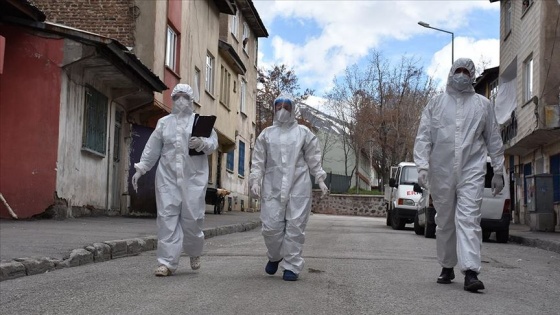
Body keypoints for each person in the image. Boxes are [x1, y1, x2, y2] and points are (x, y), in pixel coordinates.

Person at [413, 58, 504, 292]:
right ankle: (447, 265)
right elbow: (424, 137)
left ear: (472, 76)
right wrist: (422, 167)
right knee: (444, 221)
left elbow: (493, 138)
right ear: (451, 73)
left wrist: (499, 170)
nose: (462, 75)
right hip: (441, 171)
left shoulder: (483, 105)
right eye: (458, 71)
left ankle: (471, 272)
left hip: (471, 170)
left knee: (469, 219)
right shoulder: (436, 104)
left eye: (466, 71)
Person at [131, 83, 218, 277]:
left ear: (191, 99)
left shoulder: (199, 121)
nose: (180, 100)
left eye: (184, 97)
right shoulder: (164, 123)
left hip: (193, 179)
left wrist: (202, 143)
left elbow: (214, 143)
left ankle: (194, 252)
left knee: (193, 219)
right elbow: (152, 148)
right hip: (168, 178)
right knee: (166, 218)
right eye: (176, 96)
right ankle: (167, 263)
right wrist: (141, 169)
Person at [249, 93, 329, 281]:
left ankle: (291, 266)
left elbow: (313, 157)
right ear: (274, 108)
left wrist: (320, 177)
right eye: (279, 106)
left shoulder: (303, 133)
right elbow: (258, 160)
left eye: (286, 106)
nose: (282, 110)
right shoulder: (266, 134)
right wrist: (255, 180)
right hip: (273, 185)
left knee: (295, 226)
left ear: (293, 109)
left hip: (298, 184)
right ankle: (275, 256)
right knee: (270, 227)